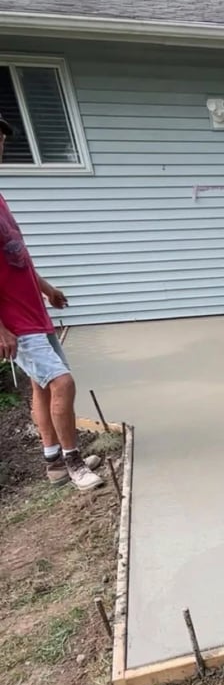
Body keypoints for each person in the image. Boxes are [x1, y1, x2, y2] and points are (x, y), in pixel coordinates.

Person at [0, 113, 103, 490]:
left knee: (42, 387)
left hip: (33, 311)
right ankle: (74, 463)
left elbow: (16, 257)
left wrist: (46, 289)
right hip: (15, 321)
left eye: (1, 140)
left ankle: (54, 463)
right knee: (63, 382)